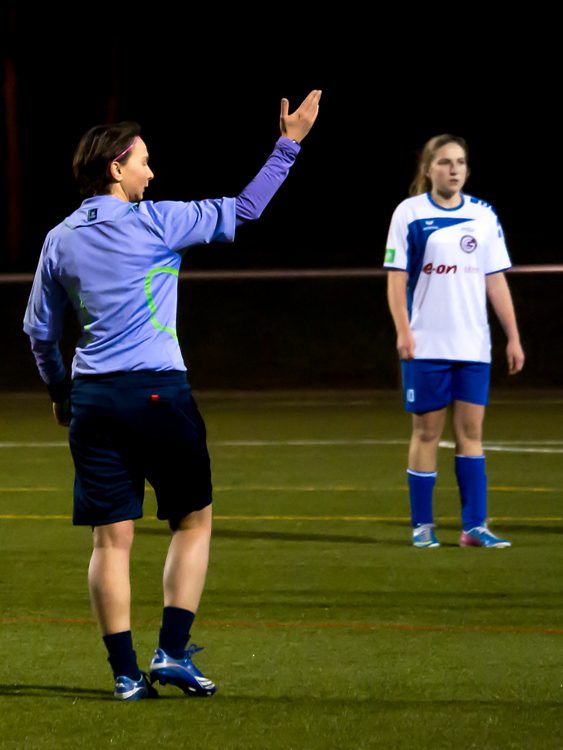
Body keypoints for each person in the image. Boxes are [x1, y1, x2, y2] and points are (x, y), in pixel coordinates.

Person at [23, 90, 321, 700]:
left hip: (94, 401)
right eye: (143, 162)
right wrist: (288, 146)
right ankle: (172, 653)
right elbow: (245, 208)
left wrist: (60, 392)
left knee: (111, 540)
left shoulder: (59, 239)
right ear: (116, 167)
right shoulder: (158, 220)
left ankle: (126, 675)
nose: (151, 173)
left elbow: (39, 333)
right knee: (193, 521)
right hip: (158, 392)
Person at [384, 134, 524, 549]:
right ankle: (423, 526)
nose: (455, 169)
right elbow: (396, 277)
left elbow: (494, 278)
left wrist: (512, 336)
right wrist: (404, 330)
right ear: (428, 169)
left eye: (460, 162)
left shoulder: (483, 215)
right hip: (426, 345)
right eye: (445, 162)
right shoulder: (409, 213)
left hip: (473, 347)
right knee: (427, 433)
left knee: (472, 434)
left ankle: (474, 527)